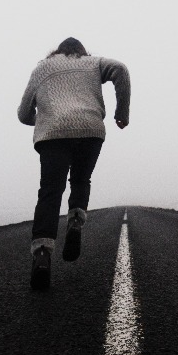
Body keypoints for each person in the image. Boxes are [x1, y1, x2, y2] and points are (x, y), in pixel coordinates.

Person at [18, 37, 131, 290]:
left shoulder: (42, 68)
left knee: (50, 191)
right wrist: (121, 113)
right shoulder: (93, 63)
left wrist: (46, 118)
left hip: (53, 134)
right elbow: (121, 70)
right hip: (90, 130)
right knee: (81, 180)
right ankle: (75, 223)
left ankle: (42, 255)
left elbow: (23, 113)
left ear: (57, 51)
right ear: (82, 51)